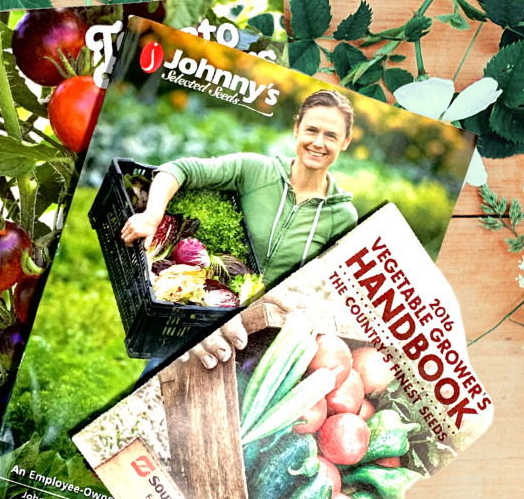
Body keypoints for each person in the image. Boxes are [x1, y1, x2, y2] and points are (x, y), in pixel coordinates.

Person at [120, 88, 359, 369]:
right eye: (311, 130)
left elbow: (327, 288)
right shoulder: (255, 171)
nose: (318, 142)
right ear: (296, 129)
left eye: (330, 135)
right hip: (206, 312)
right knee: (161, 387)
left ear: (345, 141)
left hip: (264, 341)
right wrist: (152, 215)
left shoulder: (343, 216)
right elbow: (180, 169)